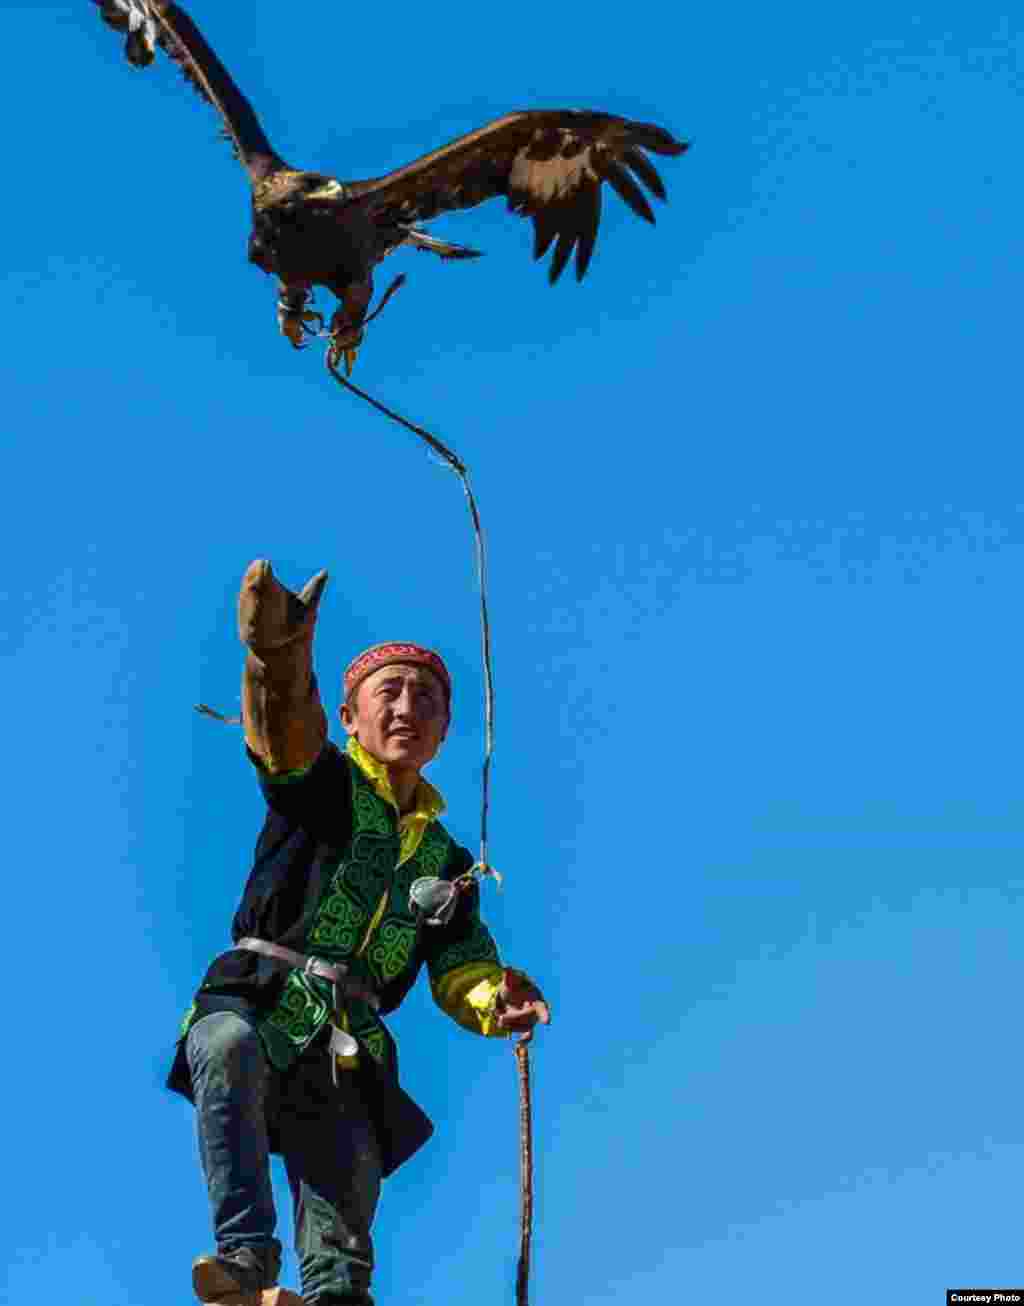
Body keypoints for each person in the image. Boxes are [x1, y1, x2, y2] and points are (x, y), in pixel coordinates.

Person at [167, 559, 550, 1306]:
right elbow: (283, 730)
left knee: (344, 1192)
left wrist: (493, 997)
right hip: (261, 995)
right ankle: (245, 1253)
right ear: (350, 717)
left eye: (428, 698)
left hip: (351, 1041)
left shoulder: (448, 863)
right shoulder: (323, 783)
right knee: (226, 1045)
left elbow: (460, 963)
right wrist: (280, 657)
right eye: (390, 692)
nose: (408, 706)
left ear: (443, 731)